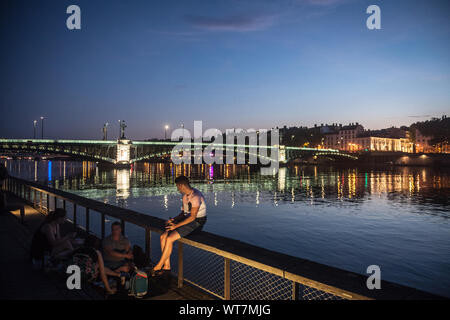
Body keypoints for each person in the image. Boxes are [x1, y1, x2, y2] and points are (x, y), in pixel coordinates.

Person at [151, 175, 207, 276]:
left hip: (197, 222)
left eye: (177, 186)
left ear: (181, 185)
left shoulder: (195, 196)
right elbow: (184, 213)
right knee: (163, 236)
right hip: (188, 220)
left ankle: (159, 265)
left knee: (170, 239)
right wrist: (174, 220)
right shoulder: (185, 196)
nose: (177, 189)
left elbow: (192, 217)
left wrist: (175, 226)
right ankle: (167, 266)